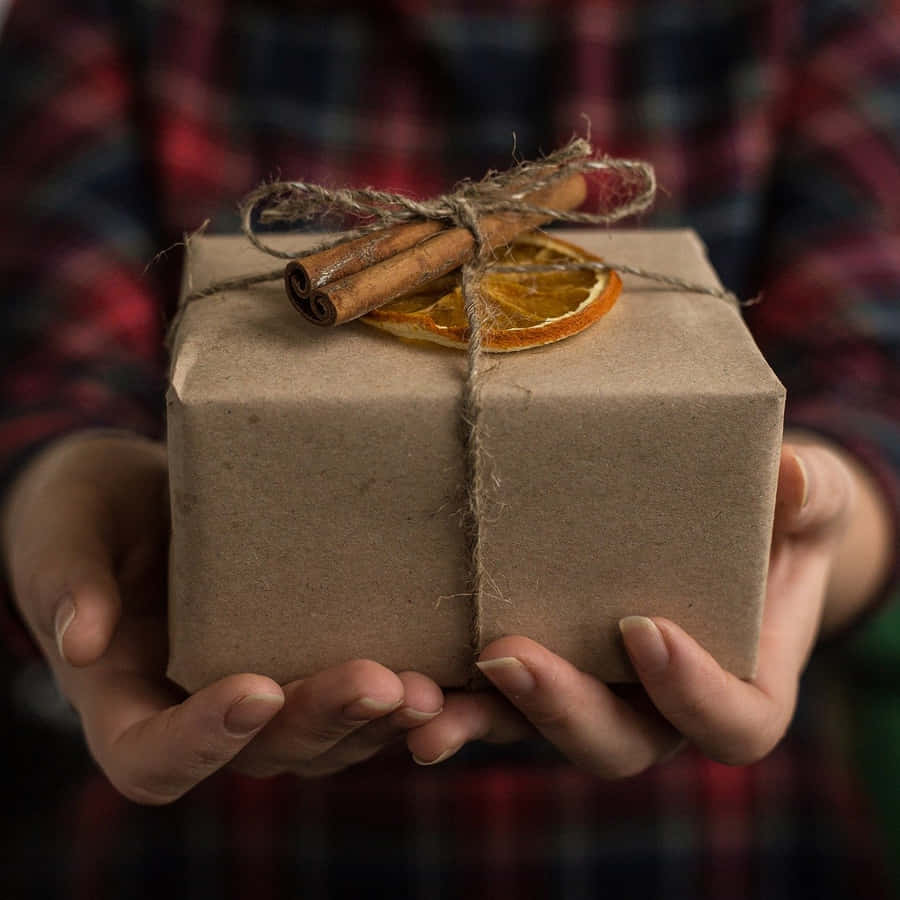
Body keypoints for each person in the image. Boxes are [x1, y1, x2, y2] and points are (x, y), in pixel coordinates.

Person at [0, 0, 897, 896]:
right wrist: (58, 487)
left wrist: (814, 522)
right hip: (203, 840)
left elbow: (869, 387)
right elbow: (51, 361)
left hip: (718, 847)